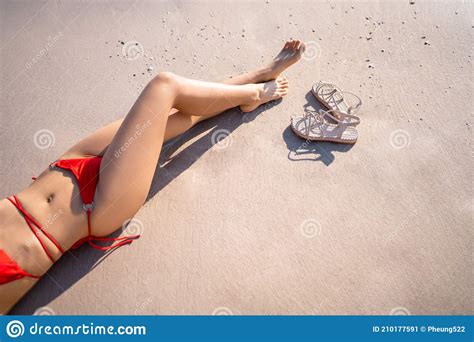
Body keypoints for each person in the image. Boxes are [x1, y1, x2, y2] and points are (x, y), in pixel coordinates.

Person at [0, 40, 306, 314]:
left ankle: (256, 77)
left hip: (68, 165)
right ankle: (255, 90)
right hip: (100, 204)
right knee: (165, 87)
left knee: (176, 117)